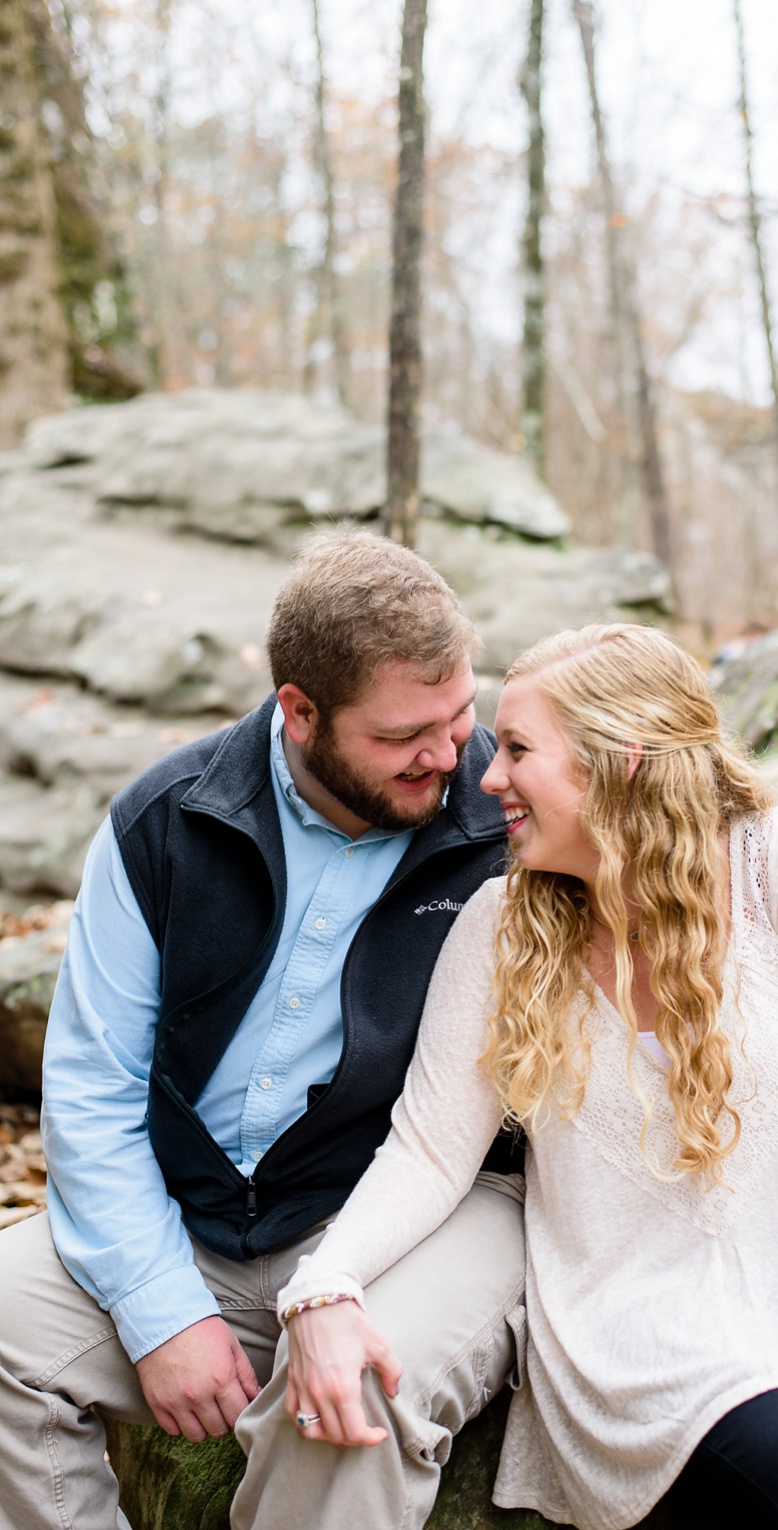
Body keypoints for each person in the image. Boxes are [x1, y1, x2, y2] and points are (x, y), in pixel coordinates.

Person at [274, 623, 778, 1530]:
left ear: (619, 763)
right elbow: (432, 1147)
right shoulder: (501, 924)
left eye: (516, 750)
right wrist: (325, 1284)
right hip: (644, 1341)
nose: (488, 778)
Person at [0, 533, 525, 1529]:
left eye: (461, 714)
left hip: (421, 1207)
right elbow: (93, 1083)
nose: (450, 754)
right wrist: (159, 1308)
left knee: (351, 1392)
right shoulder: (165, 819)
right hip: (199, 1212)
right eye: (406, 733)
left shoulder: (510, 818)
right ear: (299, 712)